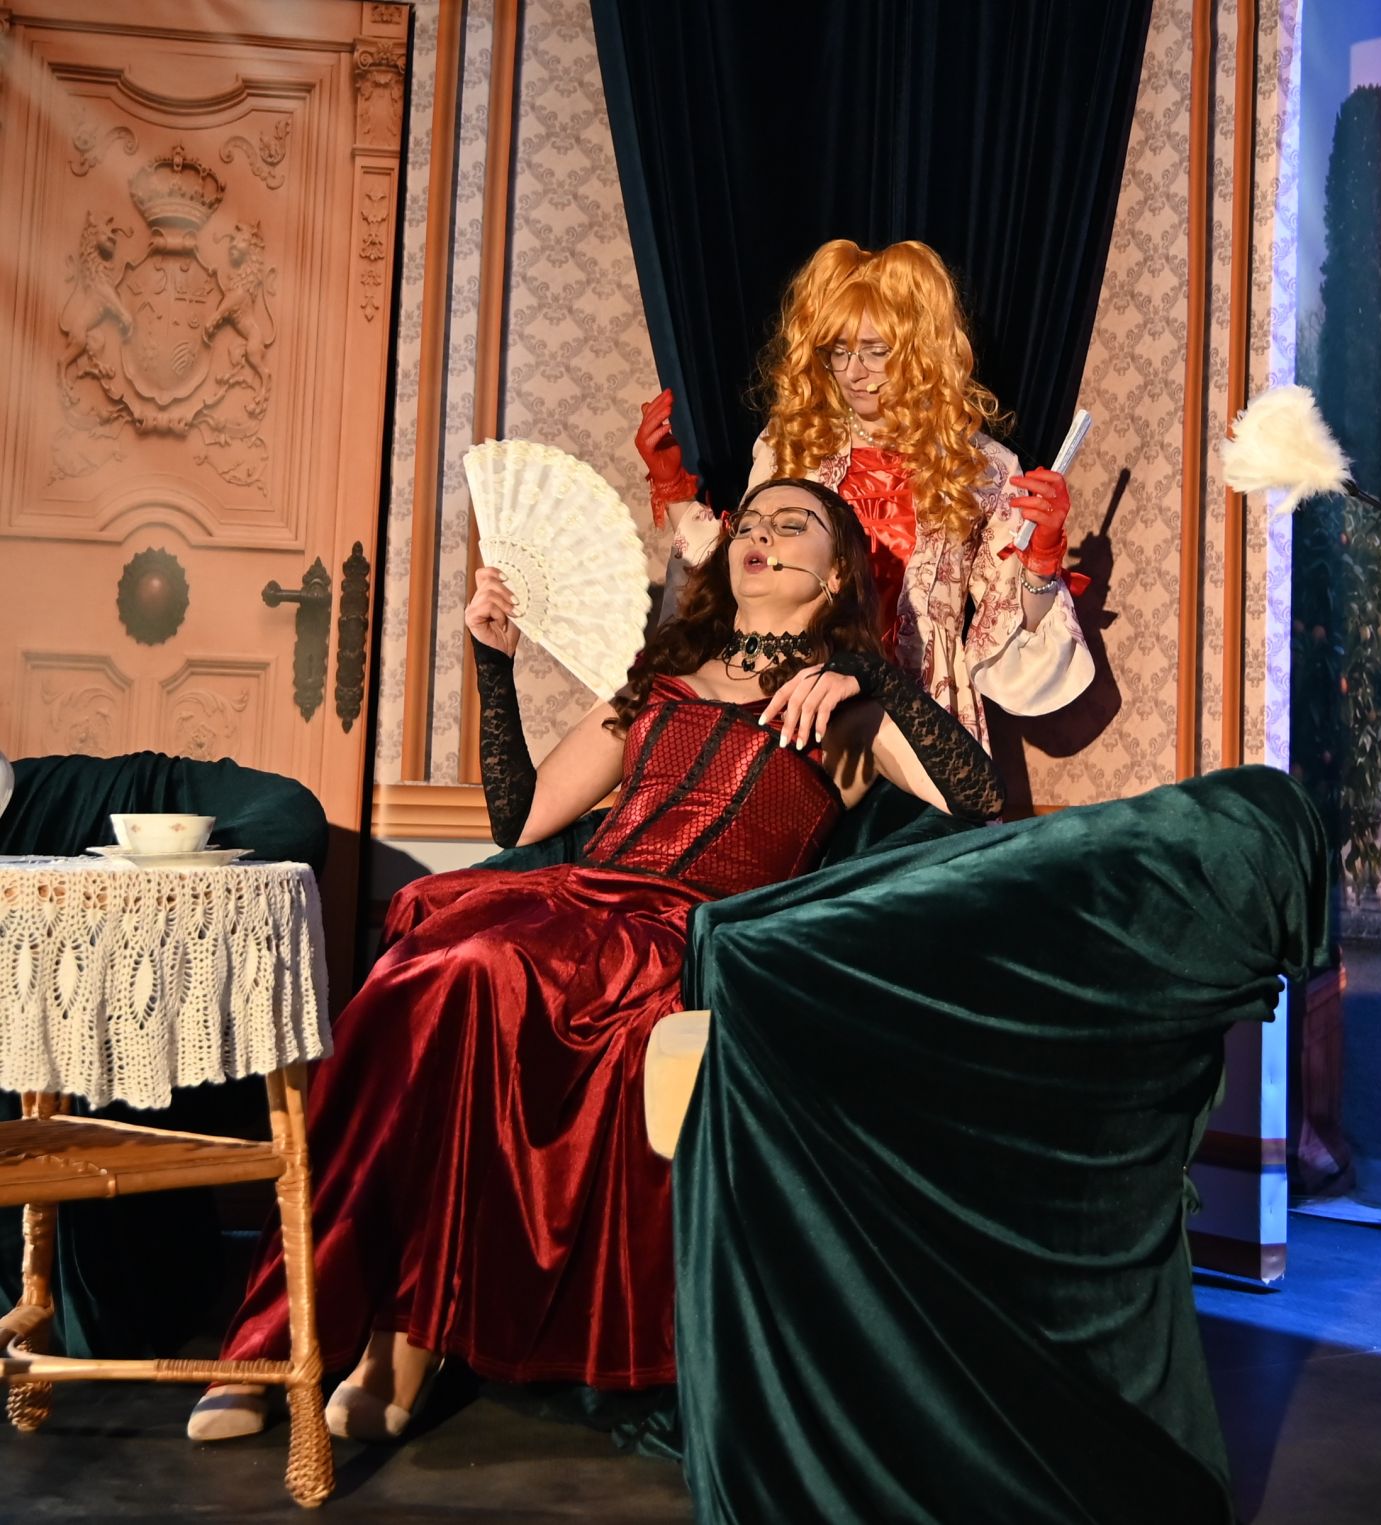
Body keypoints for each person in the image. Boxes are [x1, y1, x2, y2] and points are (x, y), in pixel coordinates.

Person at [188, 478, 1003, 1442]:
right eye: (749, 522)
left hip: (678, 937)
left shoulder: (848, 710)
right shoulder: (660, 680)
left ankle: (400, 1335)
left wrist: (872, 678)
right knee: (409, 984)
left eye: (796, 525)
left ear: (836, 576)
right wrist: (493, 664)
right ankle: (292, 1335)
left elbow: (981, 802)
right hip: (570, 905)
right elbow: (523, 816)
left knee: (471, 969)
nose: (761, 535)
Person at [638, 238, 1091, 751]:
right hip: (796, 700)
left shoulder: (979, 467)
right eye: (839, 351)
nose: (855, 372)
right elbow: (737, 570)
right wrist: (672, 486)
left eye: (876, 351)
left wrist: (1041, 559)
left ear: (920, 351)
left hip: (921, 708)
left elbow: (1009, 633)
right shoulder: (793, 447)